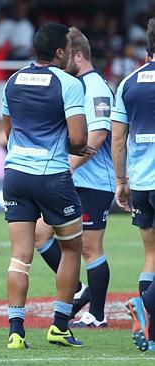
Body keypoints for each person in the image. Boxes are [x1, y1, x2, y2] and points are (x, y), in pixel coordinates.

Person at [2, 23, 92, 350]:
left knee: (19, 256)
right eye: (67, 48)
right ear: (59, 52)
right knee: (71, 248)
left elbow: (7, 129)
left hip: (14, 174)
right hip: (51, 176)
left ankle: (15, 331)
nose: (70, 53)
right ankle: (59, 326)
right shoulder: (68, 83)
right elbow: (80, 138)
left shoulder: (12, 80)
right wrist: (75, 148)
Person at [32, 27, 115, 329]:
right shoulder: (74, 85)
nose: (62, 58)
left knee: (91, 247)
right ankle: (79, 288)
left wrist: (67, 167)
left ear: (78, 55)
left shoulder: (95, 87)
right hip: (73, 180)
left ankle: (98, 314)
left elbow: (99, 134)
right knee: (40, 235)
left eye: (66, 53)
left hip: (93, 181)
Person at [112, 17, 155, 353]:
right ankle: (144, 306)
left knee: (151, 255)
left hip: (140, 182)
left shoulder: (127, 82)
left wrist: (121, 182)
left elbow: (117, 139)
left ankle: (150, 332)